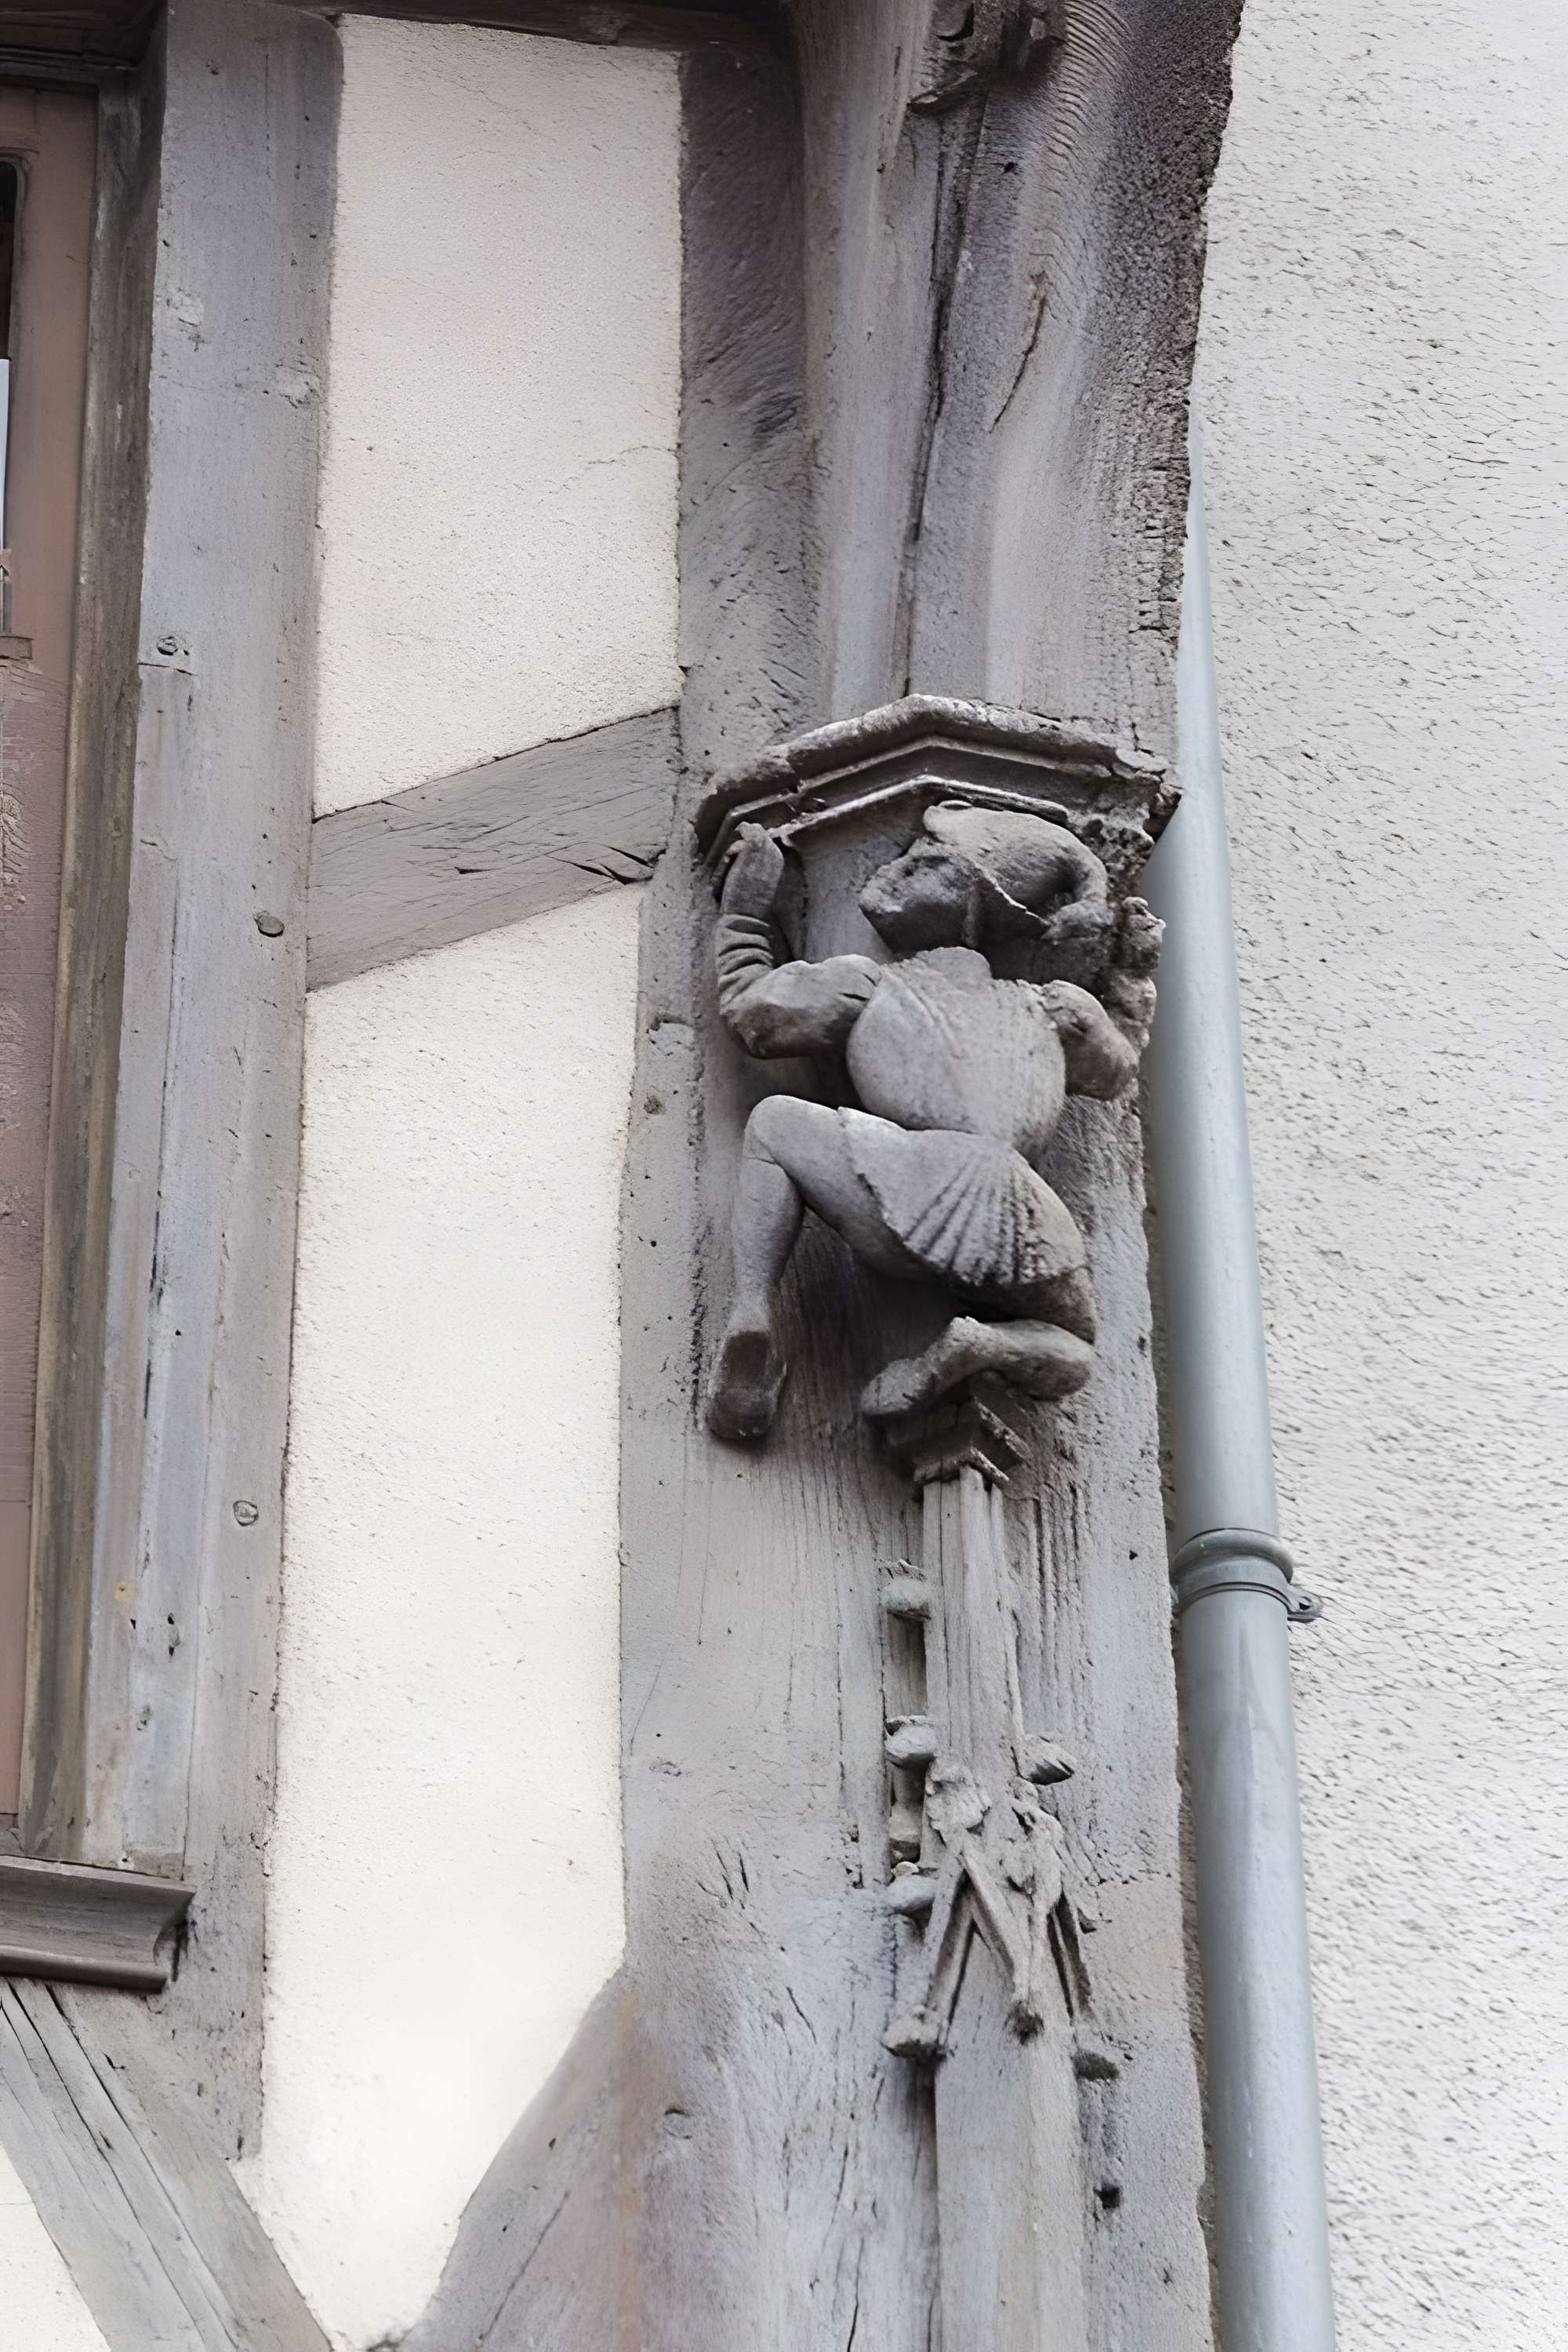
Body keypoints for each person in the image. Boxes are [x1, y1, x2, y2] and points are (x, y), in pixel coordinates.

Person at [706, 801, 1161, 1439]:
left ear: (978, 907)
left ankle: (754, 1306)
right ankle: (981, 1346)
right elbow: (1117, 1069)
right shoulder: (1056, 1009)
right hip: (1018, 1208)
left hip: (905, 1182)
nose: (901, 868)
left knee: (776, 1123)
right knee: (1074, 1345)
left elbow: (754, 1015)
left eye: (930, 866)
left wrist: (746, 913)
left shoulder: (866, 983)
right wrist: (1133, 977)